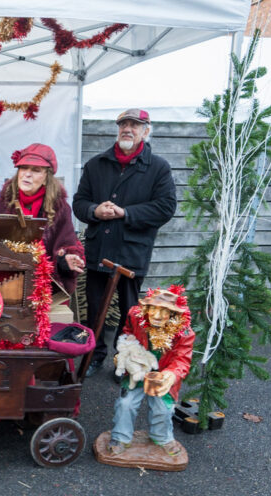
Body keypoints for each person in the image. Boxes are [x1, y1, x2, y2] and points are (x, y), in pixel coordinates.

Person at [72, 107, 177, 377]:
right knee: (95, 308)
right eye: (123, 125)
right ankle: (94, 356)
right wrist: (95, 210)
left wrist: (126, 213)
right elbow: (79, 202)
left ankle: (125, 361)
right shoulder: (96, 164)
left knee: (129, 313)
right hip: (99, 250)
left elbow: (165, 208)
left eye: (135, 125)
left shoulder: (158, 167)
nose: (127, 129)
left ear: (146, 131)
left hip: (132, 252)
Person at [105, 285, 193, 459]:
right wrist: (123, 353)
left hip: (163, 374)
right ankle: (120, 437)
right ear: (147, 308)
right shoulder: (135, 317)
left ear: (173, 314)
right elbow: (127, 333)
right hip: (137, 369)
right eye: (154, 309)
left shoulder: (183, 332)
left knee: (163, 409)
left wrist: (171, 375)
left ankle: (162, 437)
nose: (157, 315)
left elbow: (182, 359)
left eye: (164, 311)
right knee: (125, 404)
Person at [0, 143, 85, 295]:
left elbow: (67, 244)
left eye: (36, 170)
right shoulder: (1, 205)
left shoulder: (60, 208)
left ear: (47, 177)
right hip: (7, 283)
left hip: (45, 287)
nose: (27, 174)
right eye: (23, 168)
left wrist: (66, 259)